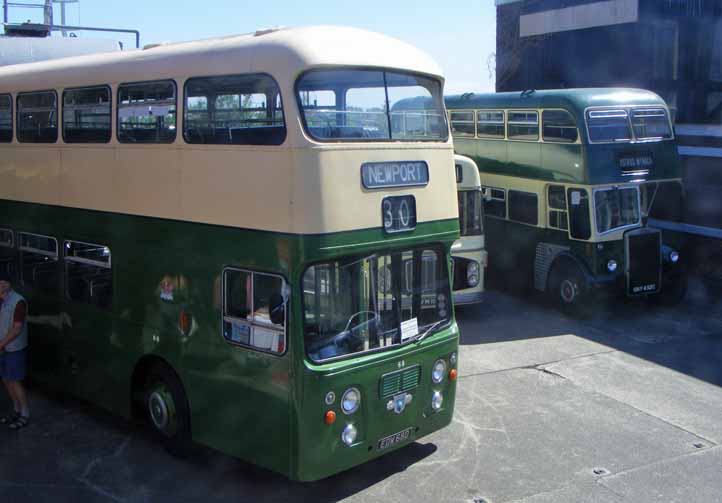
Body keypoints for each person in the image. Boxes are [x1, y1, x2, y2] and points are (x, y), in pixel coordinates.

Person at [0, 271, 29, 430]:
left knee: (15, 381)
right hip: (3, 348)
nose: (1, 285)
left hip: (13, 349)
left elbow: (17, 328)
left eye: (3, 282)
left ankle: (24, 413)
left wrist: (1, 345)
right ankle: (16, 410)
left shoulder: (18, 302)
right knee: (6, 379)